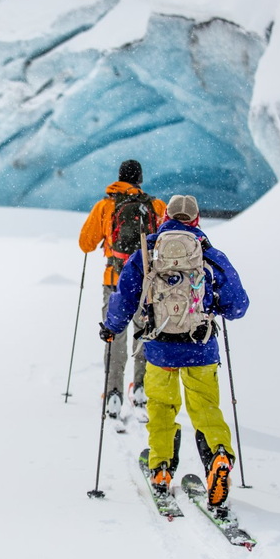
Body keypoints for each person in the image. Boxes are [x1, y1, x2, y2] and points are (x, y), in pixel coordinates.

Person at [99, 194, 249, 510]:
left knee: (162, 409)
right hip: (200, 348)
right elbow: (238, 306)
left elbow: (125, 296)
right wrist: (216, 304)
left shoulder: (148, 251)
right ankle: (219, 457)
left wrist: (112, 327)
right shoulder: (209, 254)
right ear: (196, 220)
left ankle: (162, 470)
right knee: (206, 409)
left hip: (160, 348)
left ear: (165, 215)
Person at [79, 160, 167, 420]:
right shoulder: (156, 206)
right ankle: (141, 388)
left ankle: (113, 392)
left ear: (119, 177)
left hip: (115, 280)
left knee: (115, 334)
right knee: (144, 331)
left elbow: (86, 243)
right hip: (147, 282)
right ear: (140, 179)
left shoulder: (105, 206)